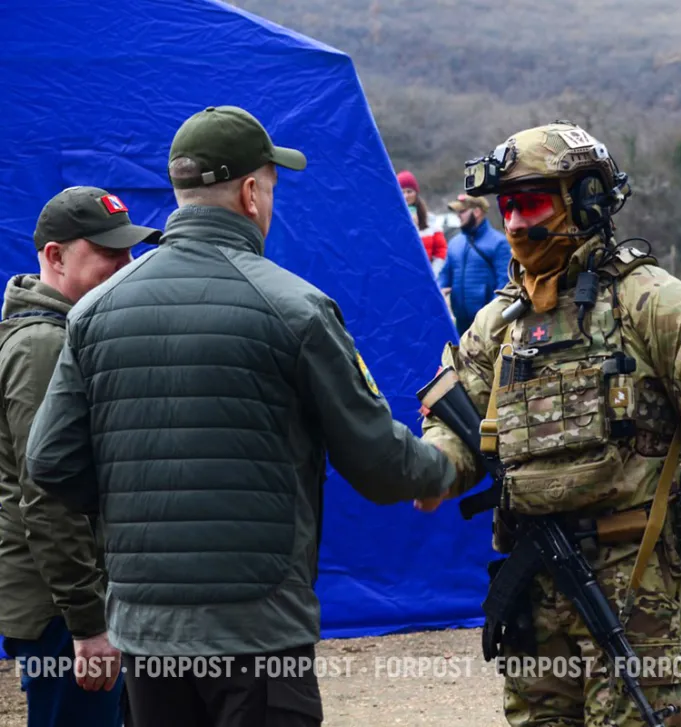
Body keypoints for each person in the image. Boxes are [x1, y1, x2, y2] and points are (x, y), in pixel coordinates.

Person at [24, 105, 455, 727]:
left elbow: (50, 463)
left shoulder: (94, 313)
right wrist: (440, 469)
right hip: (258, 628)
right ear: (252, 193)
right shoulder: (295, 308)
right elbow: (379, 462)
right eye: (271, 187)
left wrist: (136, 508)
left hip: (146, 632)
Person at [418, 121, 681, 725]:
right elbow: (457, 424)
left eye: (532, 203)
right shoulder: (500, 324)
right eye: (508, 207)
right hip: (533, 576)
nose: (516, 224)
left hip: (635, 581)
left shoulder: (656, 304)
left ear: (585, 201)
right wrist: (433, 469)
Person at [0, 186, 160, 727]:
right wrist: (88, 624)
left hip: (77, 597)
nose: (126, 265)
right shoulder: (43, 347)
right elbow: (48, 497)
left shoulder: (73, 333)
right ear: (55, 256)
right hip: (63, 611)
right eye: (109, 251)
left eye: (129, 250)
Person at [438, 193, 511, 335]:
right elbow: (445, 275)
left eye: (462, 211)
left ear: (477, 212)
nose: (458, 216)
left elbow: (505, 284)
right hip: (461, 323)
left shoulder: (499, 243)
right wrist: (440, 289)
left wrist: (492, 317)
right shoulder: (454, 243)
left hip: (488, 324)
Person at [397, 170, 447, 277]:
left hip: (425, 278)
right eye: (402, 192)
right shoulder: (392, 221)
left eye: (409, 191)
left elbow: (441, 250)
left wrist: (433, 274)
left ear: (416, 193)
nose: (405, 196)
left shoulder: (430, 220)